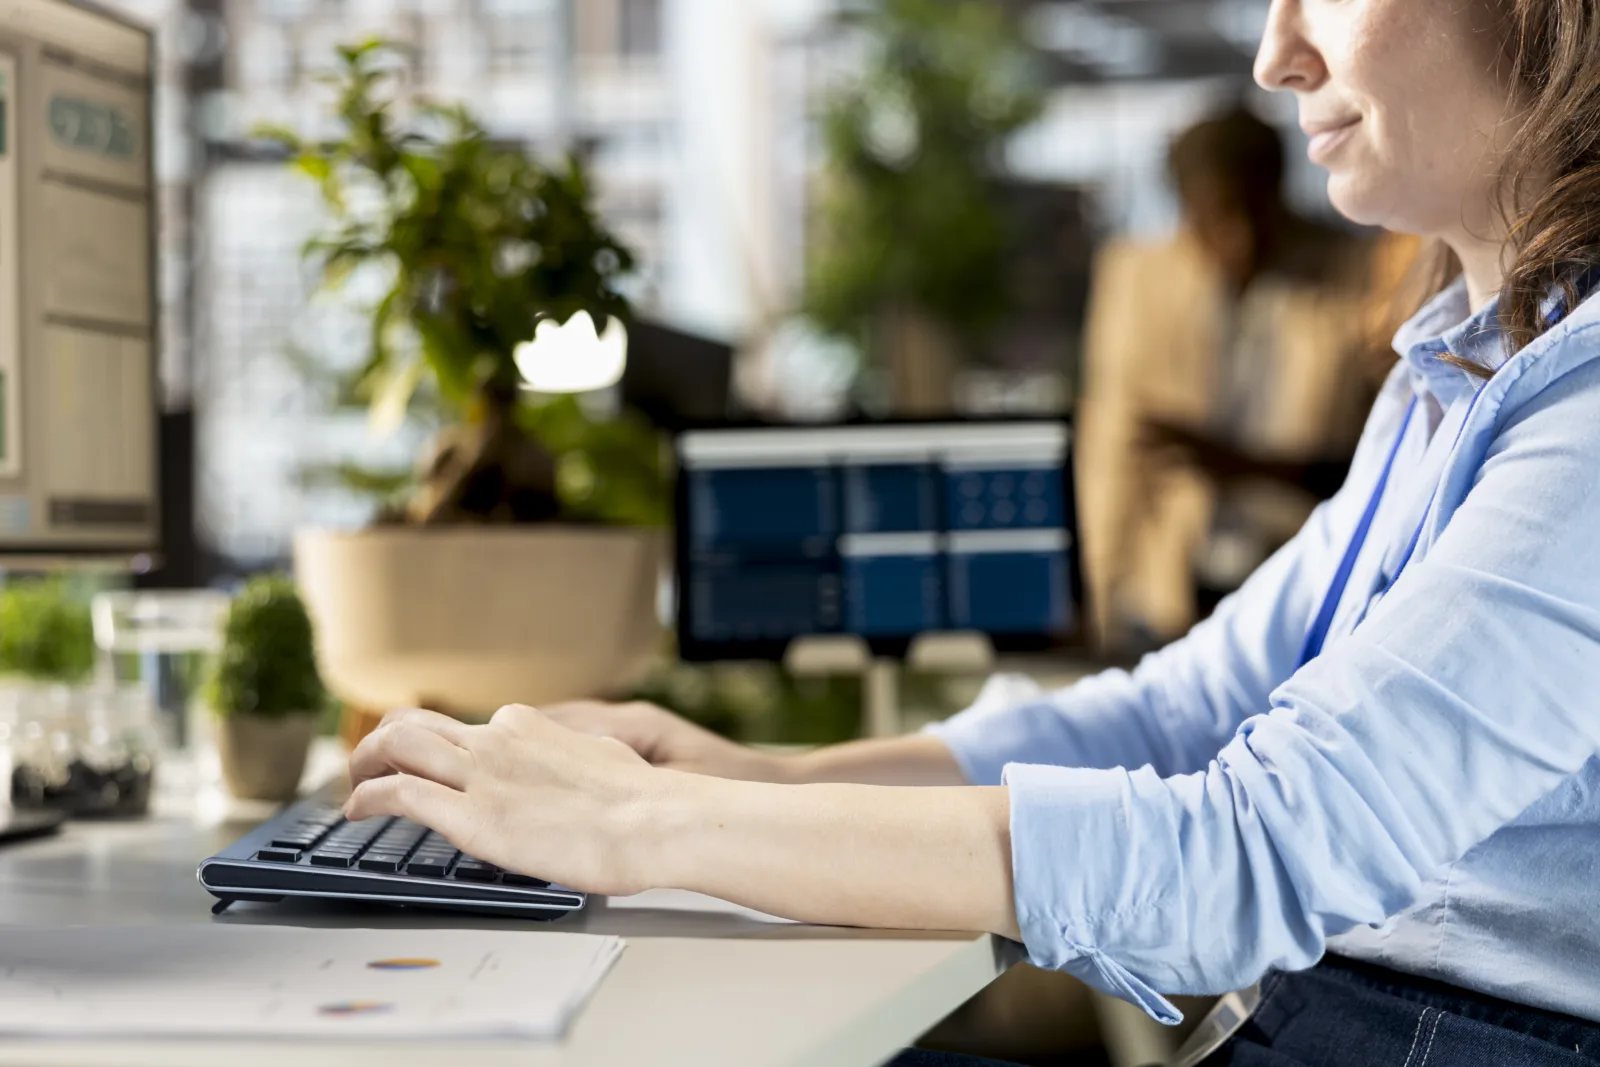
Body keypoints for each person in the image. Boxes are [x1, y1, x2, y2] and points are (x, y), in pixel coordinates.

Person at [342, 0, 1600, 1062]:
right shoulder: (1448, 382)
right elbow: (1173, 715)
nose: (1277, 54)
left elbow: (1252, 849)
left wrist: (639, 827)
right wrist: (747, 778)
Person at [1077, 107, 1402, 651]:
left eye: (1259, 210)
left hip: (1311, 581)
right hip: (1175, 588)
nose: (1242, 237)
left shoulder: (1354, 271)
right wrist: (1097, 598)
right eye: (1218, 215)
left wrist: (1244, 465)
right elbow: (1108, 453)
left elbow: (1387, 451)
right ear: (1183, 207)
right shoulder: (1134, 278)